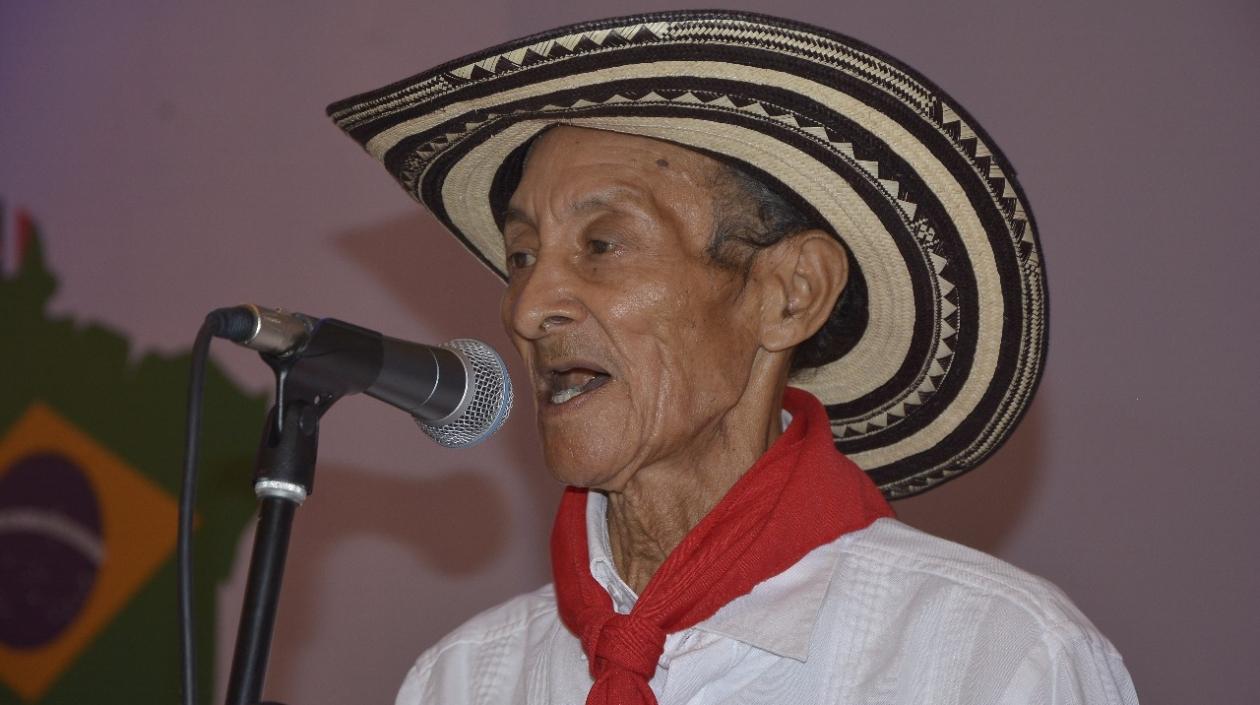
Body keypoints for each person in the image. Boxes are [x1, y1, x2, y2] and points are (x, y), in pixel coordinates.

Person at [328, 10, 1139, 704]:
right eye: (520, 256)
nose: (529, 307)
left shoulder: (992, 661)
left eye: (603, 243)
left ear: (789, 293)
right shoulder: (465, 681)